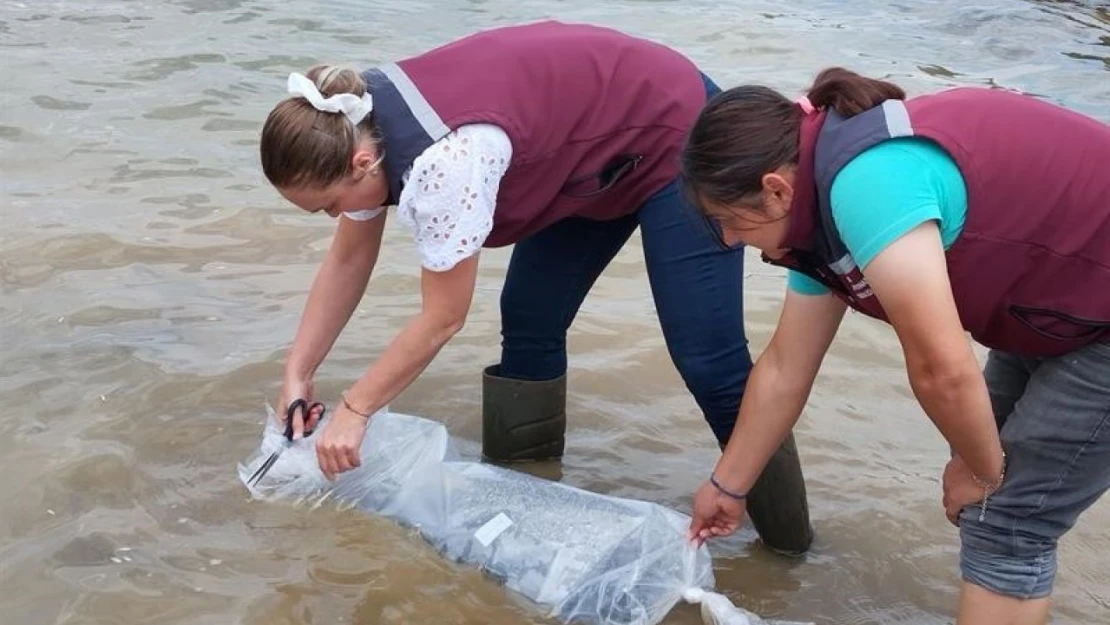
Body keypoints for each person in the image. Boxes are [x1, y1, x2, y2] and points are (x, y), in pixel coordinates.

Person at [679, 66, 1110, 624]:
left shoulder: (867, 187)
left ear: (774, 189)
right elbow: (786, 366)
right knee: (988, 505)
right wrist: (727, 485)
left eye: (727, 222)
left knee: (1007, 522)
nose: (730, 241)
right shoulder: (818, 209)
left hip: (1092, 312)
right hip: (1055, 300)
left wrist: (980, 472)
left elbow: (941, 368)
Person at [257, 22, 756, 482]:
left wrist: (357, 408)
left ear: (361, 163)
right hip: (591, 156)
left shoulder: (444, 161)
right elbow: (347, 260)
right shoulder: (353, 123)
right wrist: (298, 374)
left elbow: (443, 318)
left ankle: (783, 545)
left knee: (707, 360)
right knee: (529, 317)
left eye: (328, 206)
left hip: (673, 125)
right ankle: (526, 493)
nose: (334, 218)